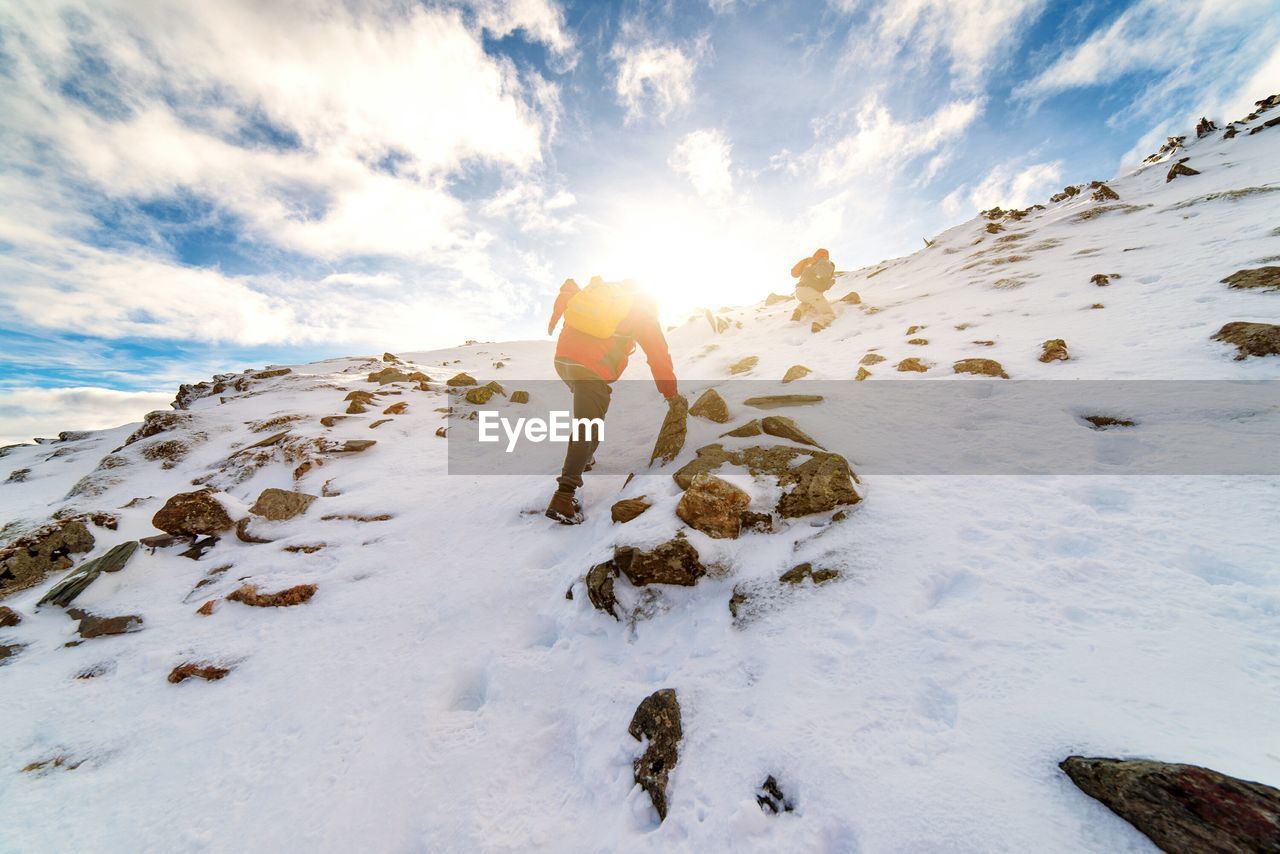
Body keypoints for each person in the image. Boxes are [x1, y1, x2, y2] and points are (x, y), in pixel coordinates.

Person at [544, 276, 679, 524]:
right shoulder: (641, 311)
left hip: (564, 360)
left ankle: (585, 458)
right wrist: (670, 393)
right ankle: (564, 496)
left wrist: (553, 321)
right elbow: (658, 356)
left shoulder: (600, 296)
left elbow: (568, 292)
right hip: (591, 367)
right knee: (587, 422)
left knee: (592, 409)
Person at [790, 248, 837, 332]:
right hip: (811, 292)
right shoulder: (827, 264)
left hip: (799, 291)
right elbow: (826, 285)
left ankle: (798, 311)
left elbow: (794, 273)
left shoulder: (808, 261)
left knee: (808, 302)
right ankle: (818, 323)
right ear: (827, 256)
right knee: (829, 314)